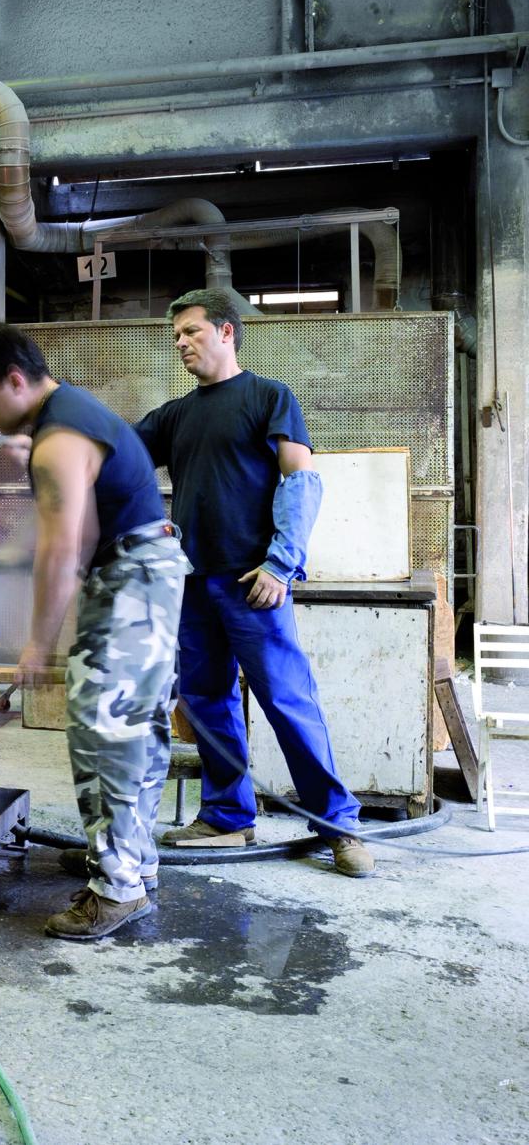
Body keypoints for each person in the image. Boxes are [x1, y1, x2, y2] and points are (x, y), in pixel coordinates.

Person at [0, 323, 189, 940]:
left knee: (103, 729)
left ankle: (116, 891)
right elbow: (77, 533)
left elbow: (63, 554)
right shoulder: (67, 418)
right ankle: (131, 862)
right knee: (134, 726)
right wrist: (13, 553)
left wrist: (36, 644)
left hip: (134, 576)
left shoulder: (57, 440)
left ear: (14, 380)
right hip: (144, 570)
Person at [134, 288, 373, 877]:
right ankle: (226, 819)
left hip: (253, 582)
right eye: (176, 335)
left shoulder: (269, 397)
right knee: (207, 703)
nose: (181, 343)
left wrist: (281, 563)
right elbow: (119, 457)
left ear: (226, 331)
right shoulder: (174, 416)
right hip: (193, 584)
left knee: (287, 701)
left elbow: (301, 481)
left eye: (191, 331)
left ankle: (338, 825)